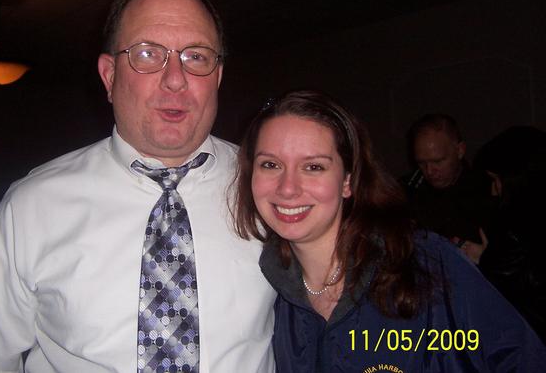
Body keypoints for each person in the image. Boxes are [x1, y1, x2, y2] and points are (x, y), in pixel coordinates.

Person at [0, 0, 276, 372]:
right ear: (109, 76)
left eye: (196, 57)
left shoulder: (272, 189)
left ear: (217, 76)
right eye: (148, 54)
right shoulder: (33, 206)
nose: (176, 79)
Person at [233, 90, 545, 372]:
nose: (288, 188)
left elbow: (519, 358)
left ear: (347, 181)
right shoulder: (267, 297)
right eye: (270, 165)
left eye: (313, 166)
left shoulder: (424, 264)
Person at [474, 126, 546, 342]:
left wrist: (483, 260)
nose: (494, 191)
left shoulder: (515, 222)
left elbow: (498, 295)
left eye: (497, 181)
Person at [403, 114, 496, 264]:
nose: (430, 170)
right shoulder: (406, 190)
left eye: (438, 161)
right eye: (421, 163)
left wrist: (488, 259)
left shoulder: (488, 189)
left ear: (460, 150)